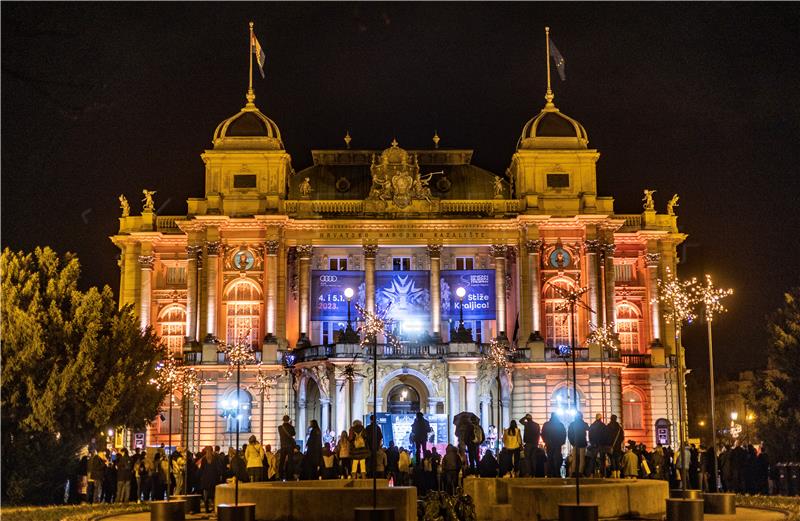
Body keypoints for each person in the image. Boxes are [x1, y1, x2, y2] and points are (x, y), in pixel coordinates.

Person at [541, 412, 567, 478]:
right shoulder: (560, 424)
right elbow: (564, 434)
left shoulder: (546, 424)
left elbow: (543, 434)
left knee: (550, 459)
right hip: (557, 444)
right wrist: (562, 442)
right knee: (557, 459)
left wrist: (545, 441)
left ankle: (550, 473)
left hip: (549, 444)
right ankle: (557, 473)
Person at [198, 447, 219, 513]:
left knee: (206, 494)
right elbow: (217, 468)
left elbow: (201, 469)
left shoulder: (204, 459)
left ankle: (207, 509)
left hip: (205, 479)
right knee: (213, 494)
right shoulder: (215, 458)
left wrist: (200, 477)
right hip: (213, 479)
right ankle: (213, 508)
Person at [567, 412, 589, 477]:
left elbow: (569, 434)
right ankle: (580, 472)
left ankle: (573, 472)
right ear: (581, 416)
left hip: (575, 443)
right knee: (582, 459)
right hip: (582, 443)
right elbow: (588, 428)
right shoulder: (584, 424)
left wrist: (572, 442)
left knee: (574, 459)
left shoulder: (572, 424)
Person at [605, 414, 624, 479]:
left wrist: (608, 444)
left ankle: (614, 474)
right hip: (618, 447)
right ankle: (618, 474)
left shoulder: (608, 427)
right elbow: (622, 437)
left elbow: (606, 437)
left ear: (611, 419)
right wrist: (618, 443)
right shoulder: (619, 428)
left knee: (612, 460)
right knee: (617, 460)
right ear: (616, 419)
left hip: (611, 447)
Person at [277, 415, 296, 480]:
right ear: (288, 419)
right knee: (290, 461)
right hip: (290, 446)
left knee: (281, 461)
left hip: (283, 446)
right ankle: (289, 475)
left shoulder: (280, 428)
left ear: (283, 419)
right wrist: (290, 425)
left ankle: (280, 475)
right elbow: (293, 434)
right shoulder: (291, 427)